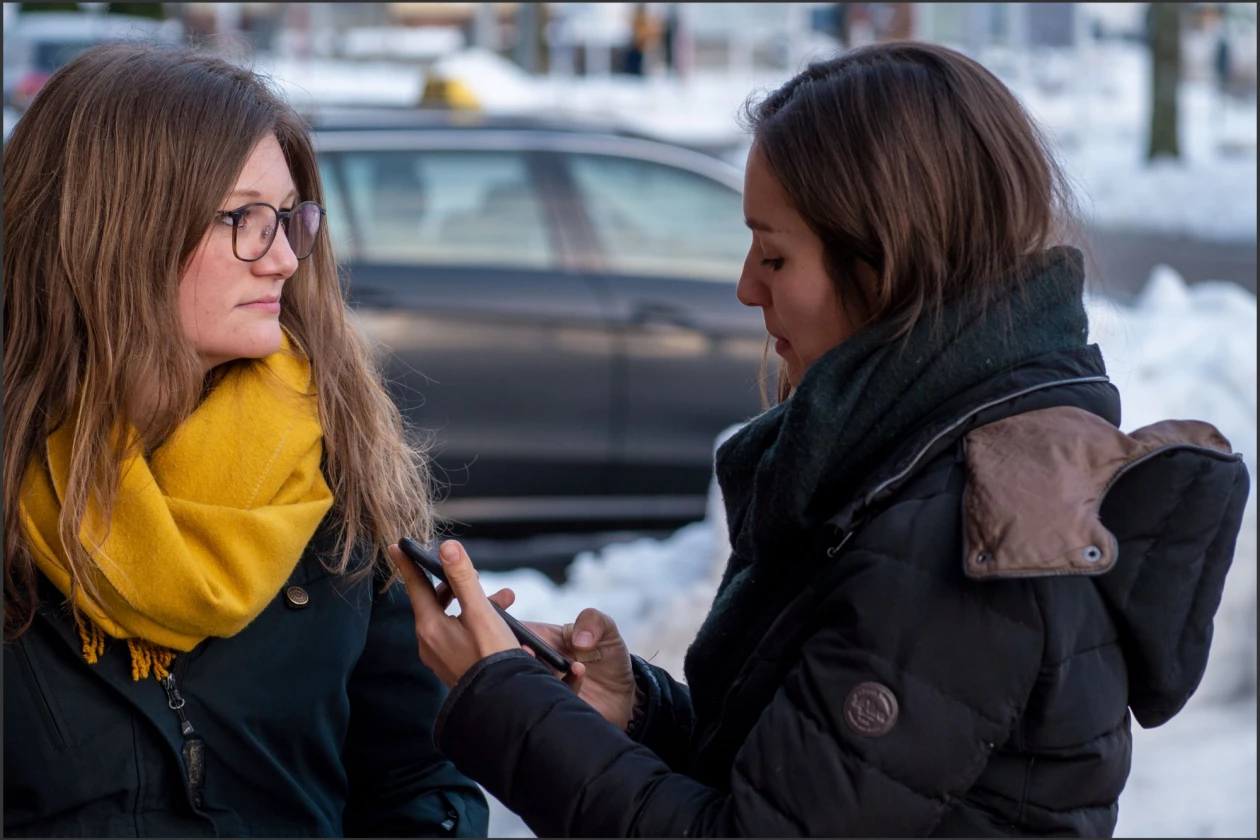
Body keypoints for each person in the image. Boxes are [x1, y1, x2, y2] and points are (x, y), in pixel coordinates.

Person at [389, 42, 1250, 837]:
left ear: (886, 262)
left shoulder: (958, 538)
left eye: (773, 257)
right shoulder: (920, 460)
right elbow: (811, 788)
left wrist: (505, 701)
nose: (745, 288)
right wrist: (637, 712)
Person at [3, 43, 488, 838]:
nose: (286, 259)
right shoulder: (13, 483)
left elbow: (415, 776)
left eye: (290, 218)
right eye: (243, 219)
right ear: (112, 229)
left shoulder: (328, 465)